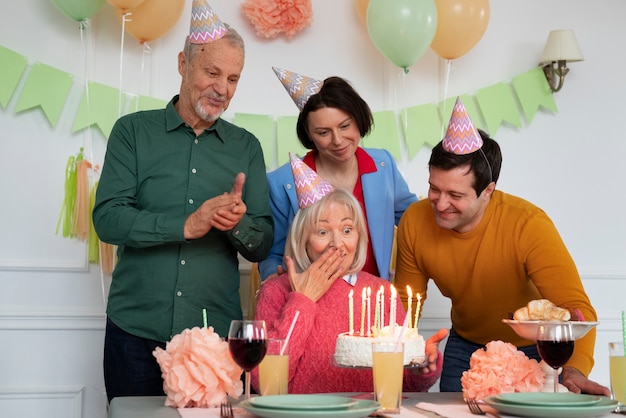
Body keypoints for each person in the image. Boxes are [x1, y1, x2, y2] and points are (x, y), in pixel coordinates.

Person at [92, 1, 273, 402]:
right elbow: (108, 219)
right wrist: (187, 225)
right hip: (134, 331)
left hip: (212, 340)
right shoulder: (132, 133)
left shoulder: (246, 147)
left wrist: (237, 223)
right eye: (212, 72)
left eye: (233, 78)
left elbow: (262, 242)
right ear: (182, 64)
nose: (222, 88)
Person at [394, 97, 610, 396]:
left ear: (488, 191)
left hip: (533, 350)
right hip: (465, 345)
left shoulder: (528, 224)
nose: (440, 204)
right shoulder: (414, 221)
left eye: (455, 194)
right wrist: (400, 353)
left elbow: (577, 310)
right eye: (434, 188)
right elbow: (406, 307)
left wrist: (573, 370)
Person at [250, 155, 448, 394]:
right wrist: (302, 300)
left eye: (346, 229)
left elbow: (402, 386)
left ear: (359, 234)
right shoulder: (276, 291)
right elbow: (265, 381)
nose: (337, 243)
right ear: (302, 239)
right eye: (323, 231)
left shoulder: (382, 293)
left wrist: (422, 369)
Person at [258, 70, 417, 281]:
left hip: (372, 301)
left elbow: (415, 221)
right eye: (323, 132)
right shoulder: (282, 182)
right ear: (309, 134)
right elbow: (272, 257)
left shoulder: (383, 165)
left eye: (345, 126)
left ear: (358, 119)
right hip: (314, 303)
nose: (338, 140)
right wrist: (276, 278)